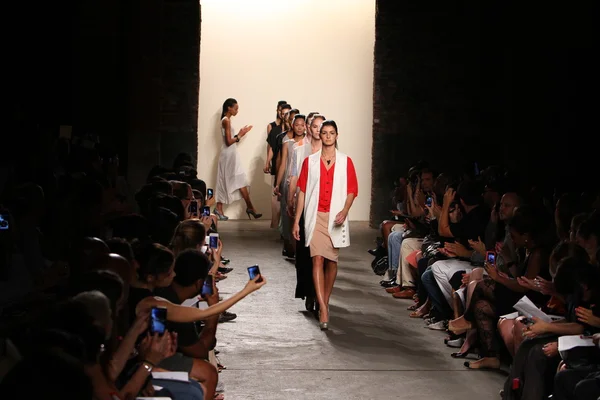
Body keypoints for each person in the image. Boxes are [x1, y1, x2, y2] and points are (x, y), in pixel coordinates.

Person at [292, 120, 358, 330]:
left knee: (332, 261)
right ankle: (323, 307)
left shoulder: (345, 161)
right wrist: (296, 221)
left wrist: (345, 211)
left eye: (331, 133)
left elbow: (352, 190)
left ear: (337, 135)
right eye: (325, 133)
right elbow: (302, 191)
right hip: (315, 216)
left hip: (335, 217)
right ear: (319, 135)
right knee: (317, 259)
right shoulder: (310, 162)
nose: (328, 136)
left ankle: (325, 300)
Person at [290, 114, 325, 311]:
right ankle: (309, 293)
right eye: (315, 126)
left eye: (322, 126)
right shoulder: (299, 148)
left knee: (320, 254)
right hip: (304, 205)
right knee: (304, 254)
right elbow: (295, 176)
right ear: (309, 128)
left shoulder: (331, 152)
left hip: (322, 208)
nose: (318, 130)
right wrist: (291, 201)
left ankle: (320, 296)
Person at [214, 98, 261, 221]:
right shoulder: (226, 121)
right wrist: (240, 134)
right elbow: (229, 141)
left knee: (239, 180)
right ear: (229, 108)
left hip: (231, 155)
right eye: (236, 108)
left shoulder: (227, 121)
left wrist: (240, 134)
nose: (237, 111)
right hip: (228, 155)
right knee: (227, 180)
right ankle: (220, 208)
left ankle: (249, 207)